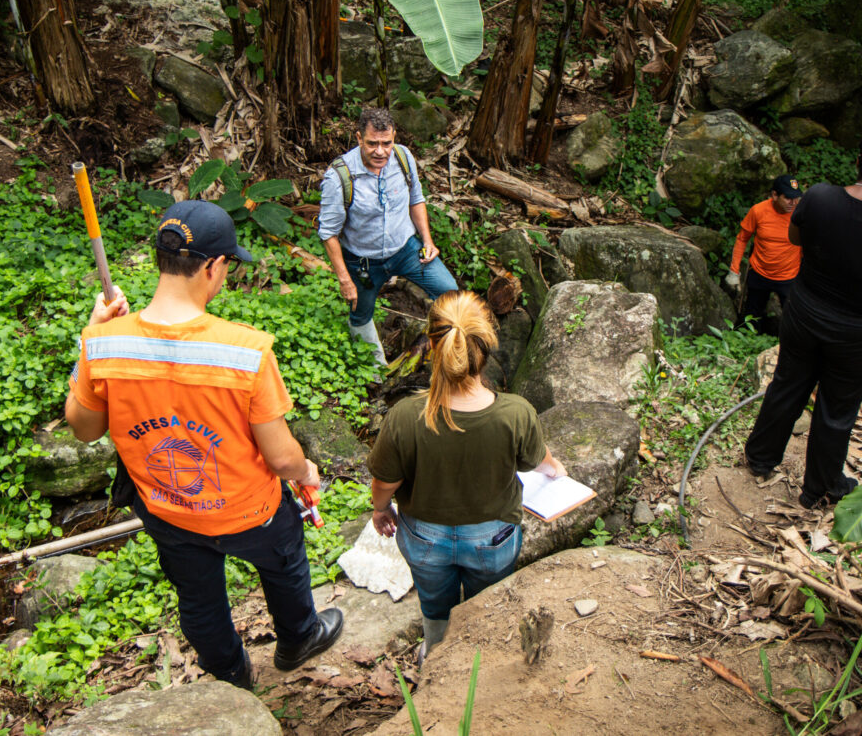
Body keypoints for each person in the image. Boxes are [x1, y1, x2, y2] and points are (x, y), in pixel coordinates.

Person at [64, 201, 344, 689]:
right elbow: (280, 457)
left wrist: (92, 335)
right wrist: (305, 472)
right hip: (247, 509)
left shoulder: (102, 343)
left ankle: (231, 677)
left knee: (198, 598)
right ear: (213, 266)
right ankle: (299, 638)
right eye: (227, 266)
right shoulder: (246, 349)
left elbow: (84, 429)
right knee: (284, 560)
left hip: (167, 510)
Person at [743, 98, 862, 509]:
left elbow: (795, 239)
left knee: (787, 385)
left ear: (861, 156)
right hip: (860, 334)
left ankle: (760, 458)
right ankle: (819, 488)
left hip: (806, 312)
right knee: (836, 410)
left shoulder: (819, 198)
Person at [366, 291, 567, 659]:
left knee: (434, 605)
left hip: (424, 535)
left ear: (430, 345)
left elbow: (385, 484)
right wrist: (555, 468)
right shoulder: (516, 413)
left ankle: (437, 652)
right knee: (486, 604)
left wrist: (381, 510)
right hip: (493, 535)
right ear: (487, 344)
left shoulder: (405, 416)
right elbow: (540, 462)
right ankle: (478, 658)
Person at [319, 108, 458, 365]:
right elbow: (328, 233)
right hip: (363, 261)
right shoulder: (339, 176)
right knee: (360, 314)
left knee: (450, 292)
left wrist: (427, 241)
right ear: (359, 138)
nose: (380, 151)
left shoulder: (403, 157)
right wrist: (344, 279)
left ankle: (442, 353)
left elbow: (416, 200)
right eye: (372, 143)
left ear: (394, 137)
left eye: (386, 143)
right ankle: (376, 370)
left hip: (405, 249)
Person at [727, 175, 804, 332]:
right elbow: (742, 239)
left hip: (789, 277)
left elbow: (808, 244)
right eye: (788, 198)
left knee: (795, 320)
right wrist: (734, 271)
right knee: (751, 318)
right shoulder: (759, 211)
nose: (793, 203)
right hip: (760, 272)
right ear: (774, 195)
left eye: (796, 198)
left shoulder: (801, 214)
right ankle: (747, 347)